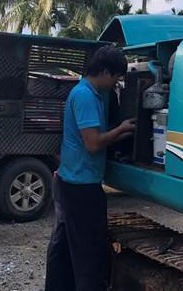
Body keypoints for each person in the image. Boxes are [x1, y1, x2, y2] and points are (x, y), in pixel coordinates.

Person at [45, 45, 136, 291]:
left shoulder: (92, 93)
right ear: (105, 72)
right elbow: (93, 143)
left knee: (63, 247)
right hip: (82, 187)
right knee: (89, 255)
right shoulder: (85, 96)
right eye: (116, 77)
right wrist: (122, 130)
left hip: (68, 181)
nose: (116, 83)